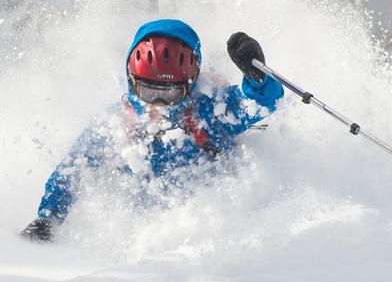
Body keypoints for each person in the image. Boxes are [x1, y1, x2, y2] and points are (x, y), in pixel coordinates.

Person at [21, 19, 284, 242]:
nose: (158, 104)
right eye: (149, 92)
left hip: (210, 235)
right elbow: (75, 167)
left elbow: (260, 103)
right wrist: (49, 217)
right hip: (139, 239)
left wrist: (256, 77)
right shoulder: (117, 122)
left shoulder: (210, 113)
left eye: (171, 94)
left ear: (190, 85)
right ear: (132, 82)